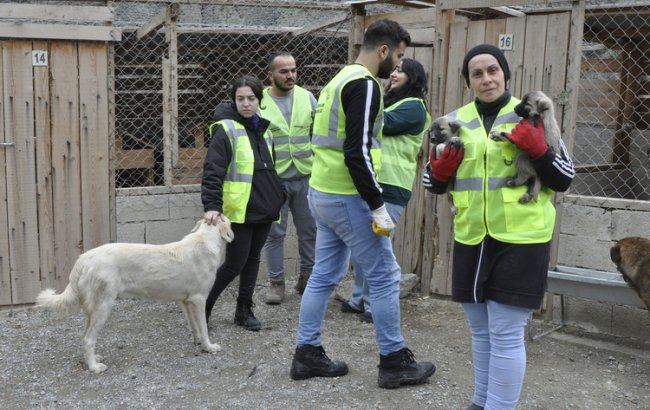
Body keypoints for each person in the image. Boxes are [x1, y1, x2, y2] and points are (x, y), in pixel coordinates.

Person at [422, 44, 575, 410]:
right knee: (480, 330)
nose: (487, 78)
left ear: (505, 73)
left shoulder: (532, 116)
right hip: (473, 237)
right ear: (468, 81)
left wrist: (540, 151)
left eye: (493, 70)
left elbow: (566, 177)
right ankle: (481, 402)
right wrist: (440, 173)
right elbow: (430, 181)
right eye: (477, 73)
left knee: (505, 333)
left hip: (522, 239)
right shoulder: (456, 120)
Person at [289, 19, 436, 389]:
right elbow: (357, 151)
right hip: (348, 199)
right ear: (384, 50)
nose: (398, 67)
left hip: (321, 193)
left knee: (324, 275)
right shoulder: (366, 84)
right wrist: (376, 205)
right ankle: (393, 362)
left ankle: (306, 354)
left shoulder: (337, 80)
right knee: (385, 277)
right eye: (399, 57)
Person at [341, 57, 431, 323]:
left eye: (400, 72)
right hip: (376, 183)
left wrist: (359, 108)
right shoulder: (393, 100)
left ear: (413, 78)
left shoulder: (414, 108)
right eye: (393, 69)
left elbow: (379, 123)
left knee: (378, 246)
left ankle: (373, 305)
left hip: (392, 187)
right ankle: (359, 299)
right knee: (364, 246)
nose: (393, 74)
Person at [202, 75, 285, 331]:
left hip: (265, 207)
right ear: (234, 100)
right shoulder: (225, 129)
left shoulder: (265, 131)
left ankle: (244, 309)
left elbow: (270, 169)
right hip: (240, 210)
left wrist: (278, 195)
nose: (246, 103)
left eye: (251, 98)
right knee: (234, 264)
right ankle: (202, 307)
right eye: (241, 99)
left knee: (253, 260)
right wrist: (212, 205)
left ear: (260, 100)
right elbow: (212, 170)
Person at [260, 51, 318, 305]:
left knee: (310, 231)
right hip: (276, 180)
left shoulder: (307, 98)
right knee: (275, 234)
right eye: (284, 71)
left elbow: (318, 134)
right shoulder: (259, 101)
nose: (290, 75)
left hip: (306, 175)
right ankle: (276, 284)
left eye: (293, 70)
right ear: (270, 75)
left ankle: (307, 278)